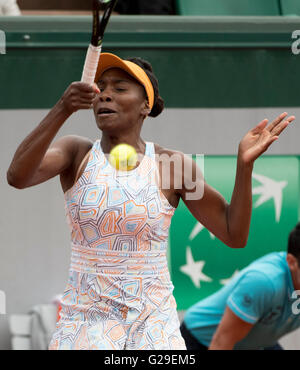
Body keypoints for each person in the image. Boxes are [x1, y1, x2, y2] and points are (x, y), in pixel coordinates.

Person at [7, 52, 295, 350]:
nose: (105, 95)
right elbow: (17, 176)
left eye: (119, 89)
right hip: (85, 326)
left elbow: (233, 234)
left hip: (154, 328)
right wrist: (62, 109)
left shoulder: (174, 166)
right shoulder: (75, 153)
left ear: (145, 105)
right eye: (101, 87)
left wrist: (244, 166)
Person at [180, 223, 300, 350]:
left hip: (255, 342)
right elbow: (221, 342)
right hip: (202, 341)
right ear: (292, 262)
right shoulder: (264, 282)